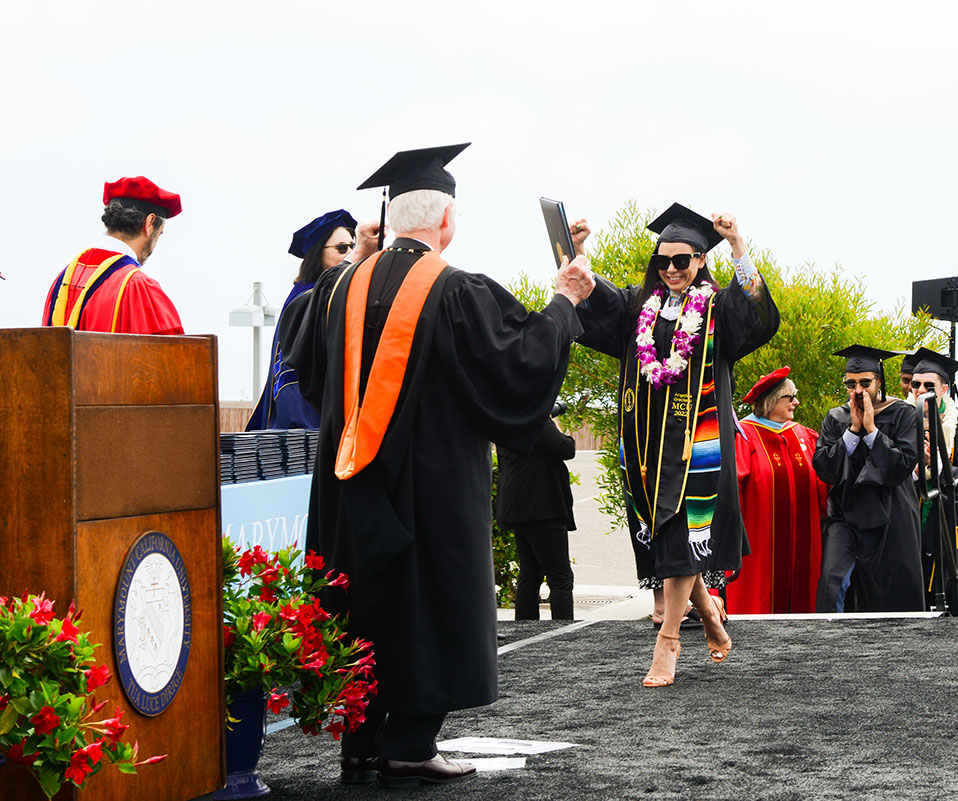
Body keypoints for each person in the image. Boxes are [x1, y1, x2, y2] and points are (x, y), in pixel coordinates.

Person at [280, 143, 595, 787]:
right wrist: (563, 301)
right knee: (427, 608)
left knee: (362, 606)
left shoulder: (336, 289)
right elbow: (520, 367)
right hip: (432, 489)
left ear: (389, 221)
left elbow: (306, 371)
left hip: (347, 488)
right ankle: (410, 743)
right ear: (445, 222)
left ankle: (360, 744)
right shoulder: (454, 291)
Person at [571, 203, 779, 687]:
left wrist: (737, 244)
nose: (670, 270)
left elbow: (758, 314)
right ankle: (707, 613)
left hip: (699, 444)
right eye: (662, 261)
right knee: (668, 534)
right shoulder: (639, 307)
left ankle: (668, 642)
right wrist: (578, 251)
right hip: (646, 444)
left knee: (685, 526)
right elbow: (596, 302)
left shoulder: (717, 307)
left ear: (700, 260)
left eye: (681, 261)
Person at [246, 209, 380, 430]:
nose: (348, 253)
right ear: (319, 252)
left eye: (352, 246)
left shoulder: (337, 295)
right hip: (308, 425)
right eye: (341, 248)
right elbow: (292, 372)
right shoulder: (306, 298)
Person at [813, 345, 924, 612]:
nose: (858, 390)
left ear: (879, 382)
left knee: (890, 590)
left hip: (891, 514)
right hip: (845, 514)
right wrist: (852, 430)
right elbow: (825, 469)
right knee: (832, 579)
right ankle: (828, 644)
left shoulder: (902, 414)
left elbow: (903, 465)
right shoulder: (836, 418)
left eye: (865, 382)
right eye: (851, 384)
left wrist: (872, 430)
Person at [728, 366, 827, 613]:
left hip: (806, 542)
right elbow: (733, 489)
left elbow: (823, 485)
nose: (797, 402)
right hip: (759, 543)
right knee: (760, 600)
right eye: (790, 397)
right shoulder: (744, 436)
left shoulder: (803, 435)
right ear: (772, 401)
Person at [42, 176, 183, 334]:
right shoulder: (138, 286)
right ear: (149, 223)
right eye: (160, 234)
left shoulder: (64, 278)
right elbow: (173, 354)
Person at [496, 411, 577, 620]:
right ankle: (562, 632)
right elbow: (565, 448)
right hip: (542, 507)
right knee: (560, 577)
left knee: (530, 573)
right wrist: (553, 423)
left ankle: (524, 630)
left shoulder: (507, 417)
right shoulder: (534, 416)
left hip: (517, 506)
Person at [905, 347, 958, 608]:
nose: (920, 390)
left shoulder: (955, 426)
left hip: (947, 521)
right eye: (915, 384)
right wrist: (916, 469)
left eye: (929, 384)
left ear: (944, 389)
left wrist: (935, 466)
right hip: (906, 514)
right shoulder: (898, 421)